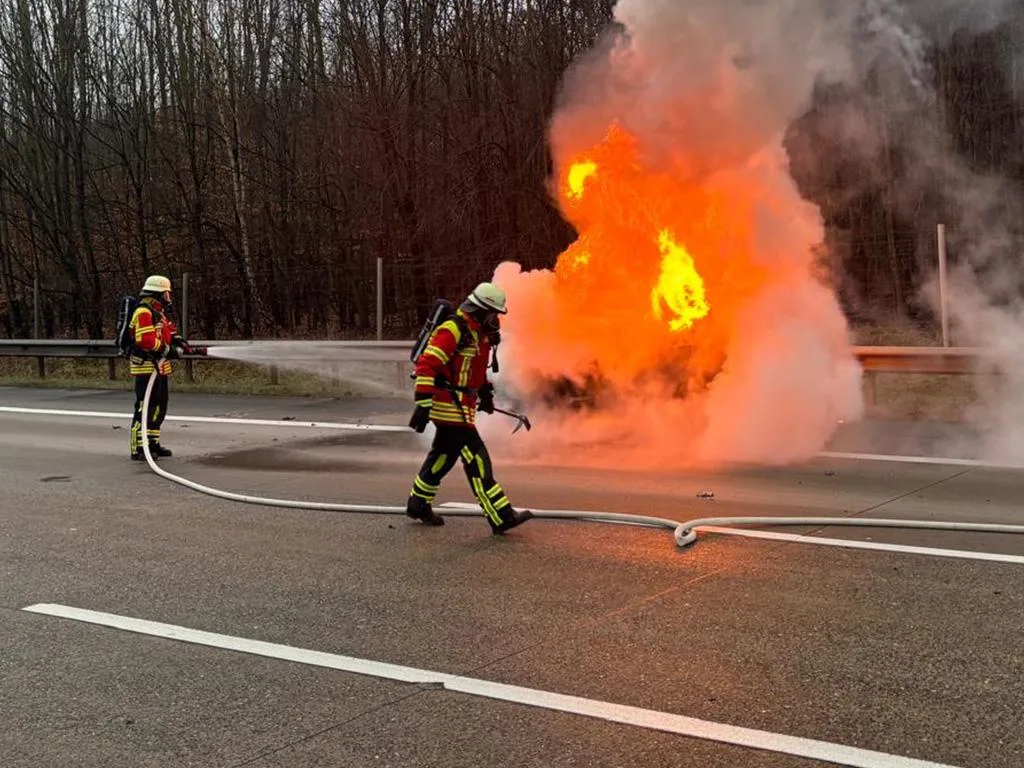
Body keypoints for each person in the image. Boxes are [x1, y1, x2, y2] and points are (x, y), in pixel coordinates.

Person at [406, 282, 534, 534]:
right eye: (492, 314)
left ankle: (418, 503)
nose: (495, 319)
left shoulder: (477, 335)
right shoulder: (453, 329)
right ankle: (500, 516)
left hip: (461, 406)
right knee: (477, 459)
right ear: (480, 311)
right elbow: (426, 365)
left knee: (443, 456)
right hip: (447, 406)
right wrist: (422, 404)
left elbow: (472, 371)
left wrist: (484, 392)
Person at [128, 275, 192, 461]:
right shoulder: (143, 311)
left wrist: (179, 340)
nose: (168, 297)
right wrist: (167, 350)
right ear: (158, 293)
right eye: (166, 294)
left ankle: (152, 443)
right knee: (145, 407)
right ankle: (138, 447)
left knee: (160, 406)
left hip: (160, 367)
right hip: (146, 367)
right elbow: (145, 340)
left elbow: (168, 331)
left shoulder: (158, 313)